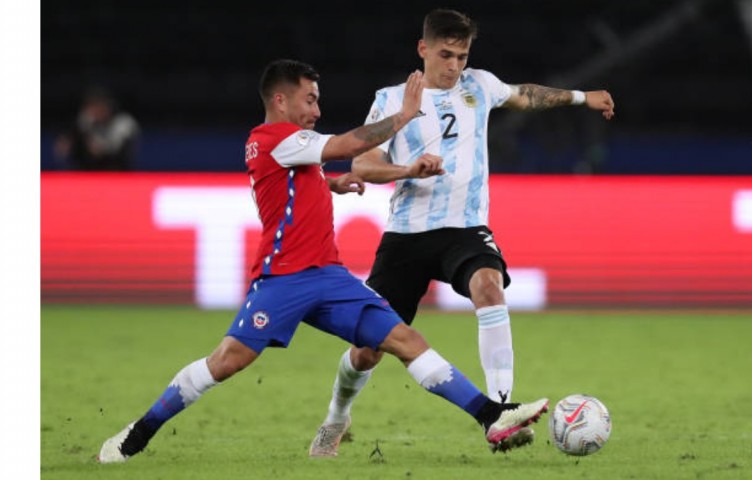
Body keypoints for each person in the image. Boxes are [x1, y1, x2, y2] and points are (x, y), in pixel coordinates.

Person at [97, 59, 549, 464]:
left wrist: (327, 185)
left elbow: (289, 184)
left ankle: (490, 416)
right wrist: (405, 115)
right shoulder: (275, 136)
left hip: (329, 276)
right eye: (309, 99)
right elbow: (351, 143)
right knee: (227, 361)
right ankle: (137, 434)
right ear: (280, 99)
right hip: (283, 279)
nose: (316, 110)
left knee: (403, 338)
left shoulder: (287, 146)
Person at [309, 9, 615, 456]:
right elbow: (362, 165)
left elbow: (524, 96)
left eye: (463, 56)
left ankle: (504, 413)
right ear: (424, 49)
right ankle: (336, 419)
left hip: (466, 229)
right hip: (407, 235)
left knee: (489, 288)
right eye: (446, 55)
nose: (455, 66)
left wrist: (581, 96)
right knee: (368, 350)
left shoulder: (479, 85)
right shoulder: (392, 99)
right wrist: (408, 169)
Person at [53, 86, 140, 171]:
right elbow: (65, 145)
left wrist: (99, 147)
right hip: (87, 172)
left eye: (99, 107)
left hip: (117, 173)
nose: (95, 112)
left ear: (108, 107)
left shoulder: (124, 123)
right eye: (92, 108)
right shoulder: (85, 120)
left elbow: (117, 152)